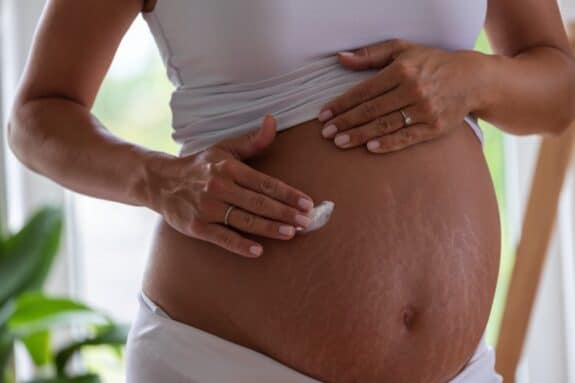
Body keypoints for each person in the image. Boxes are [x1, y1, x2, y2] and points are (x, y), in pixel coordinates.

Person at [8, 0, 575, 381]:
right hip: (227, 360)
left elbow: (558, 85)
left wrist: (476, 79)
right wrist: (157, 179)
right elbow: (37, 115)